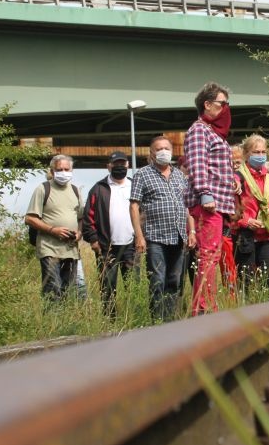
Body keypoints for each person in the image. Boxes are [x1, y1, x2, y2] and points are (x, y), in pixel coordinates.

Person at [184, 81, 236, 315]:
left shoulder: (215, 133)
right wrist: (205, 193)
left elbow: (216, 164)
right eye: (222, 103)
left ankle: (206, 305)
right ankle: (203, 308)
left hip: (218, 203)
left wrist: (234, 178)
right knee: (208, 256)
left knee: (212, 256)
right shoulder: (199, 130)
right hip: (209, 204)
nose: (226, 108)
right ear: (207, 104)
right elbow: (197, 163)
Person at [130, 137, 196, 320]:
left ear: (172, 151)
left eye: (167, 148)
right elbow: (134, 206)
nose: (163, 151)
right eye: (159, 149)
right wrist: (139, 236)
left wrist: (191, 231)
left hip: (179, 235)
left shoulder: (180, 176)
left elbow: (188, 206)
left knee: (175, 281)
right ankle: (157, 320)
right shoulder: (142, 174)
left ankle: (170, 320)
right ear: (152, 153)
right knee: (157, 280)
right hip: (155, 237)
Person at [82, 151, 137, 318]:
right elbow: (88, 216)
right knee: (107, 288)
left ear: (128, 165)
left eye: (123, 164)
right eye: (116, 164)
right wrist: (93, 240)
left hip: (131, 246)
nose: (120, 167)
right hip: (106, 248)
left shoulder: (135, 186)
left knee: (133, 286)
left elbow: (144, 213)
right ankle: (109, 321)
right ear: (108, 166)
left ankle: (133, 319)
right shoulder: (98, 189)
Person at [24, 155, 83, 301]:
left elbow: (81, 218)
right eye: (59, 169)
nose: (63, 172)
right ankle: (51, 319)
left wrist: (79, 233)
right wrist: (53, 230)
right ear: (52, 170)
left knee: (68, 291)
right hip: (49, 248)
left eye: (66, 169)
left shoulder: (76, 191)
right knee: (53, 288)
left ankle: (64, 321)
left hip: (70, 250)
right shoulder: (43, 189)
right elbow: (30, 218)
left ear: (72, 170)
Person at [234, 135, 269, 286]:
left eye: (263, 152)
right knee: (246, 282)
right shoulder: (238, 177)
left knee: (268, 279)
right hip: (245, 234)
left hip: (266, 234)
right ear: (247, 154)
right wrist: (246, 221)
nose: (261, 156)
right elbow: (231, 207)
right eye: (256, 152)